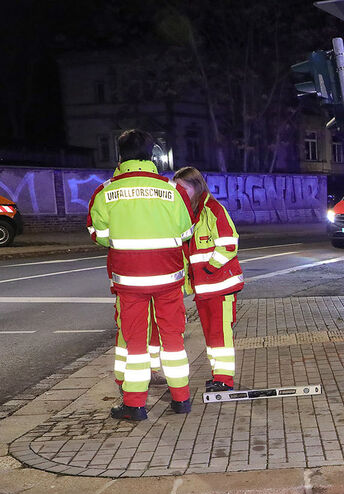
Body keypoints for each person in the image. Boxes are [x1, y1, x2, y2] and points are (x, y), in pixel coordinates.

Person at [88, 129, 196, 421]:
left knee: (135, 343)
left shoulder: (105, 191)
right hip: (168, 278)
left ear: (120, 155)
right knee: (173, 340)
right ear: (153, 156)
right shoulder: (173, 191)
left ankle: (134, 405)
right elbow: (186, 232)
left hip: (129, 281)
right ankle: (181, 399)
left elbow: (99, 235)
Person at [174, 166, 245, 392]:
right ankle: (218, 376)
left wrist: (209, 270)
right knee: (211, 336)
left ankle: (224, 380)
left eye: (183, 188)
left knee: (220, 336)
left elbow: (229, 244)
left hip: (220, 287)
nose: (179, 192)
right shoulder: (188, 215)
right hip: (204, 289)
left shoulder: (213, 209)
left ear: (196, 186)